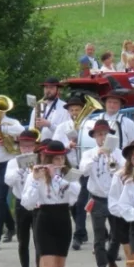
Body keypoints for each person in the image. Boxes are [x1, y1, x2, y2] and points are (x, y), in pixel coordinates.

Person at [21, 141, 81, 267]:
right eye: (55, 158)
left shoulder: (70, 175)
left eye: (61, 157)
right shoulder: (35, 175)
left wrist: (57, 178)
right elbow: (27, 203)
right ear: (47, 158)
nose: (59, 160)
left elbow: (74, 197)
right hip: (44, 217)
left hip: (63, 217)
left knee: (59, 266)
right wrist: (37, 180)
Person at [80, 119, 126, 267]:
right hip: (97, 199)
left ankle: (111, 258)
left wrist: (113, 157)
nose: (102, 137)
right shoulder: (88, 153)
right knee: (99, 236)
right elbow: (83, 172)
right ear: (94, 137)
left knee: (117, 235)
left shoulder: (118, 153)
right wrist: (97, 155)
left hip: (115, 198)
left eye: (105, 134)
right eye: (99, 134)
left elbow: (126, 171)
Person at [5, 130, 43, 267]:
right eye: (23, 146)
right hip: (21, 203)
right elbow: (8, 181)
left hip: (37, 205)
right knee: (23, 241)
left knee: (39, 240)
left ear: (34, 146)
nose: (26, 149)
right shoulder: (12, 163)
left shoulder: (40, 161)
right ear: (19, 147)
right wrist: (22, 168)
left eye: (29, 146)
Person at [52, 95, 88, 251]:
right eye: (72, 110)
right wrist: (68, 145)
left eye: (77, 110)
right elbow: (55, 145)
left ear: (83, 111)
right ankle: (83, 231)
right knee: (73, 202)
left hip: (85, 167)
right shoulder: (62, 127)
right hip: (70, 167)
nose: (74, 112)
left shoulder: (88, 126)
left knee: (81, 202)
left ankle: (78, 235)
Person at [0, 106, 24, 250]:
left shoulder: (12, 122)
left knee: (1, 198)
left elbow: (21, 131)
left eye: (2, 109)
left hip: (7, 163)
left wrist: (0, 128)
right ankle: (11, 226)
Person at [29, 77, 70, 141]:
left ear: (58, 90)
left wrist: (49, 125)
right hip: (39, 145)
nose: (48, 90)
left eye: (51, 88)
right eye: (46, 88)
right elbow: (31, 127)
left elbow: (66, 131)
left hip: (56, 146)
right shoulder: (38, 106)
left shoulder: (65, 107)